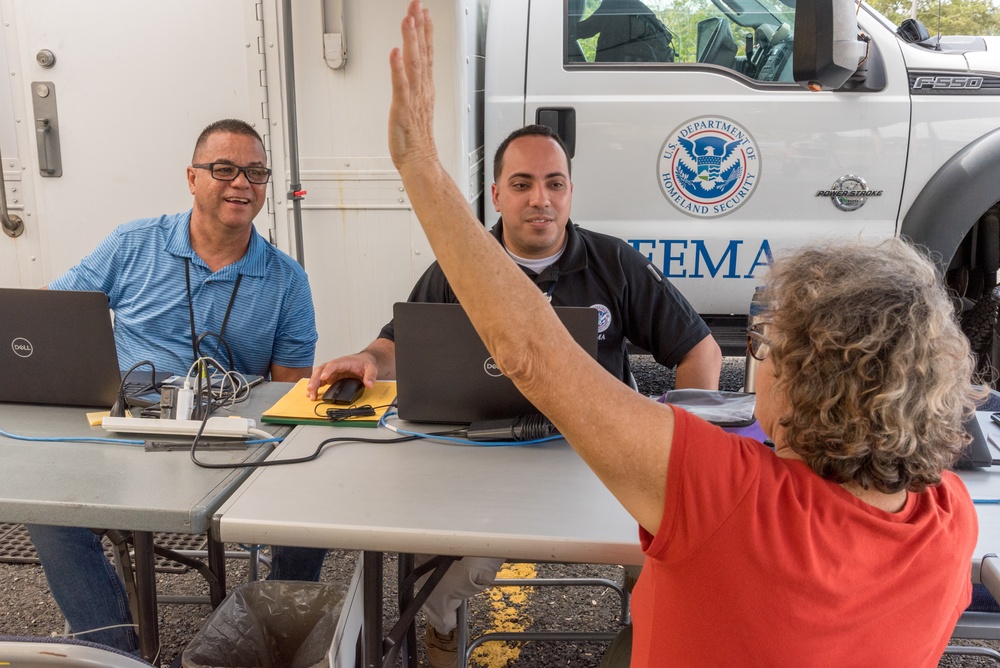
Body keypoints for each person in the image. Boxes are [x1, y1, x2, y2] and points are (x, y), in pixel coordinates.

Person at [384, 3, 982, 666]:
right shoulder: (952, 518)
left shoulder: (719, 493)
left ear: (811, 381)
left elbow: (532, 351)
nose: (756, 364)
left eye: (768, 348)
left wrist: (422, 168)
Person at [308, 78, 720, 668]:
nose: (540, 200)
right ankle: (445, 634)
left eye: (554, 184)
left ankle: (646, 634)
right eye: (522, 185)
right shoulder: (461, 260)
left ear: (571, 192)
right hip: (487, 458)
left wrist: (680, 438)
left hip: (597, 459)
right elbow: (400, 339)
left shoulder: (614, 261)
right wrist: (367, 361)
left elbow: (700, 350)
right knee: (445, 575)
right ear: (497, 195)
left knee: (665, 558)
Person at [27, 119, 321, 653]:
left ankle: (282, 635)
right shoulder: (132, 243)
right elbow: (55, 315)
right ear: (192, 177)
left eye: (256, 172)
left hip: (231, 433)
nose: (241, 184)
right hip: (125, 428)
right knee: (47, 513)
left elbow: (289, 396)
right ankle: (116, 654)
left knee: (307, 503)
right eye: (224, 169)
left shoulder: (286, 279)